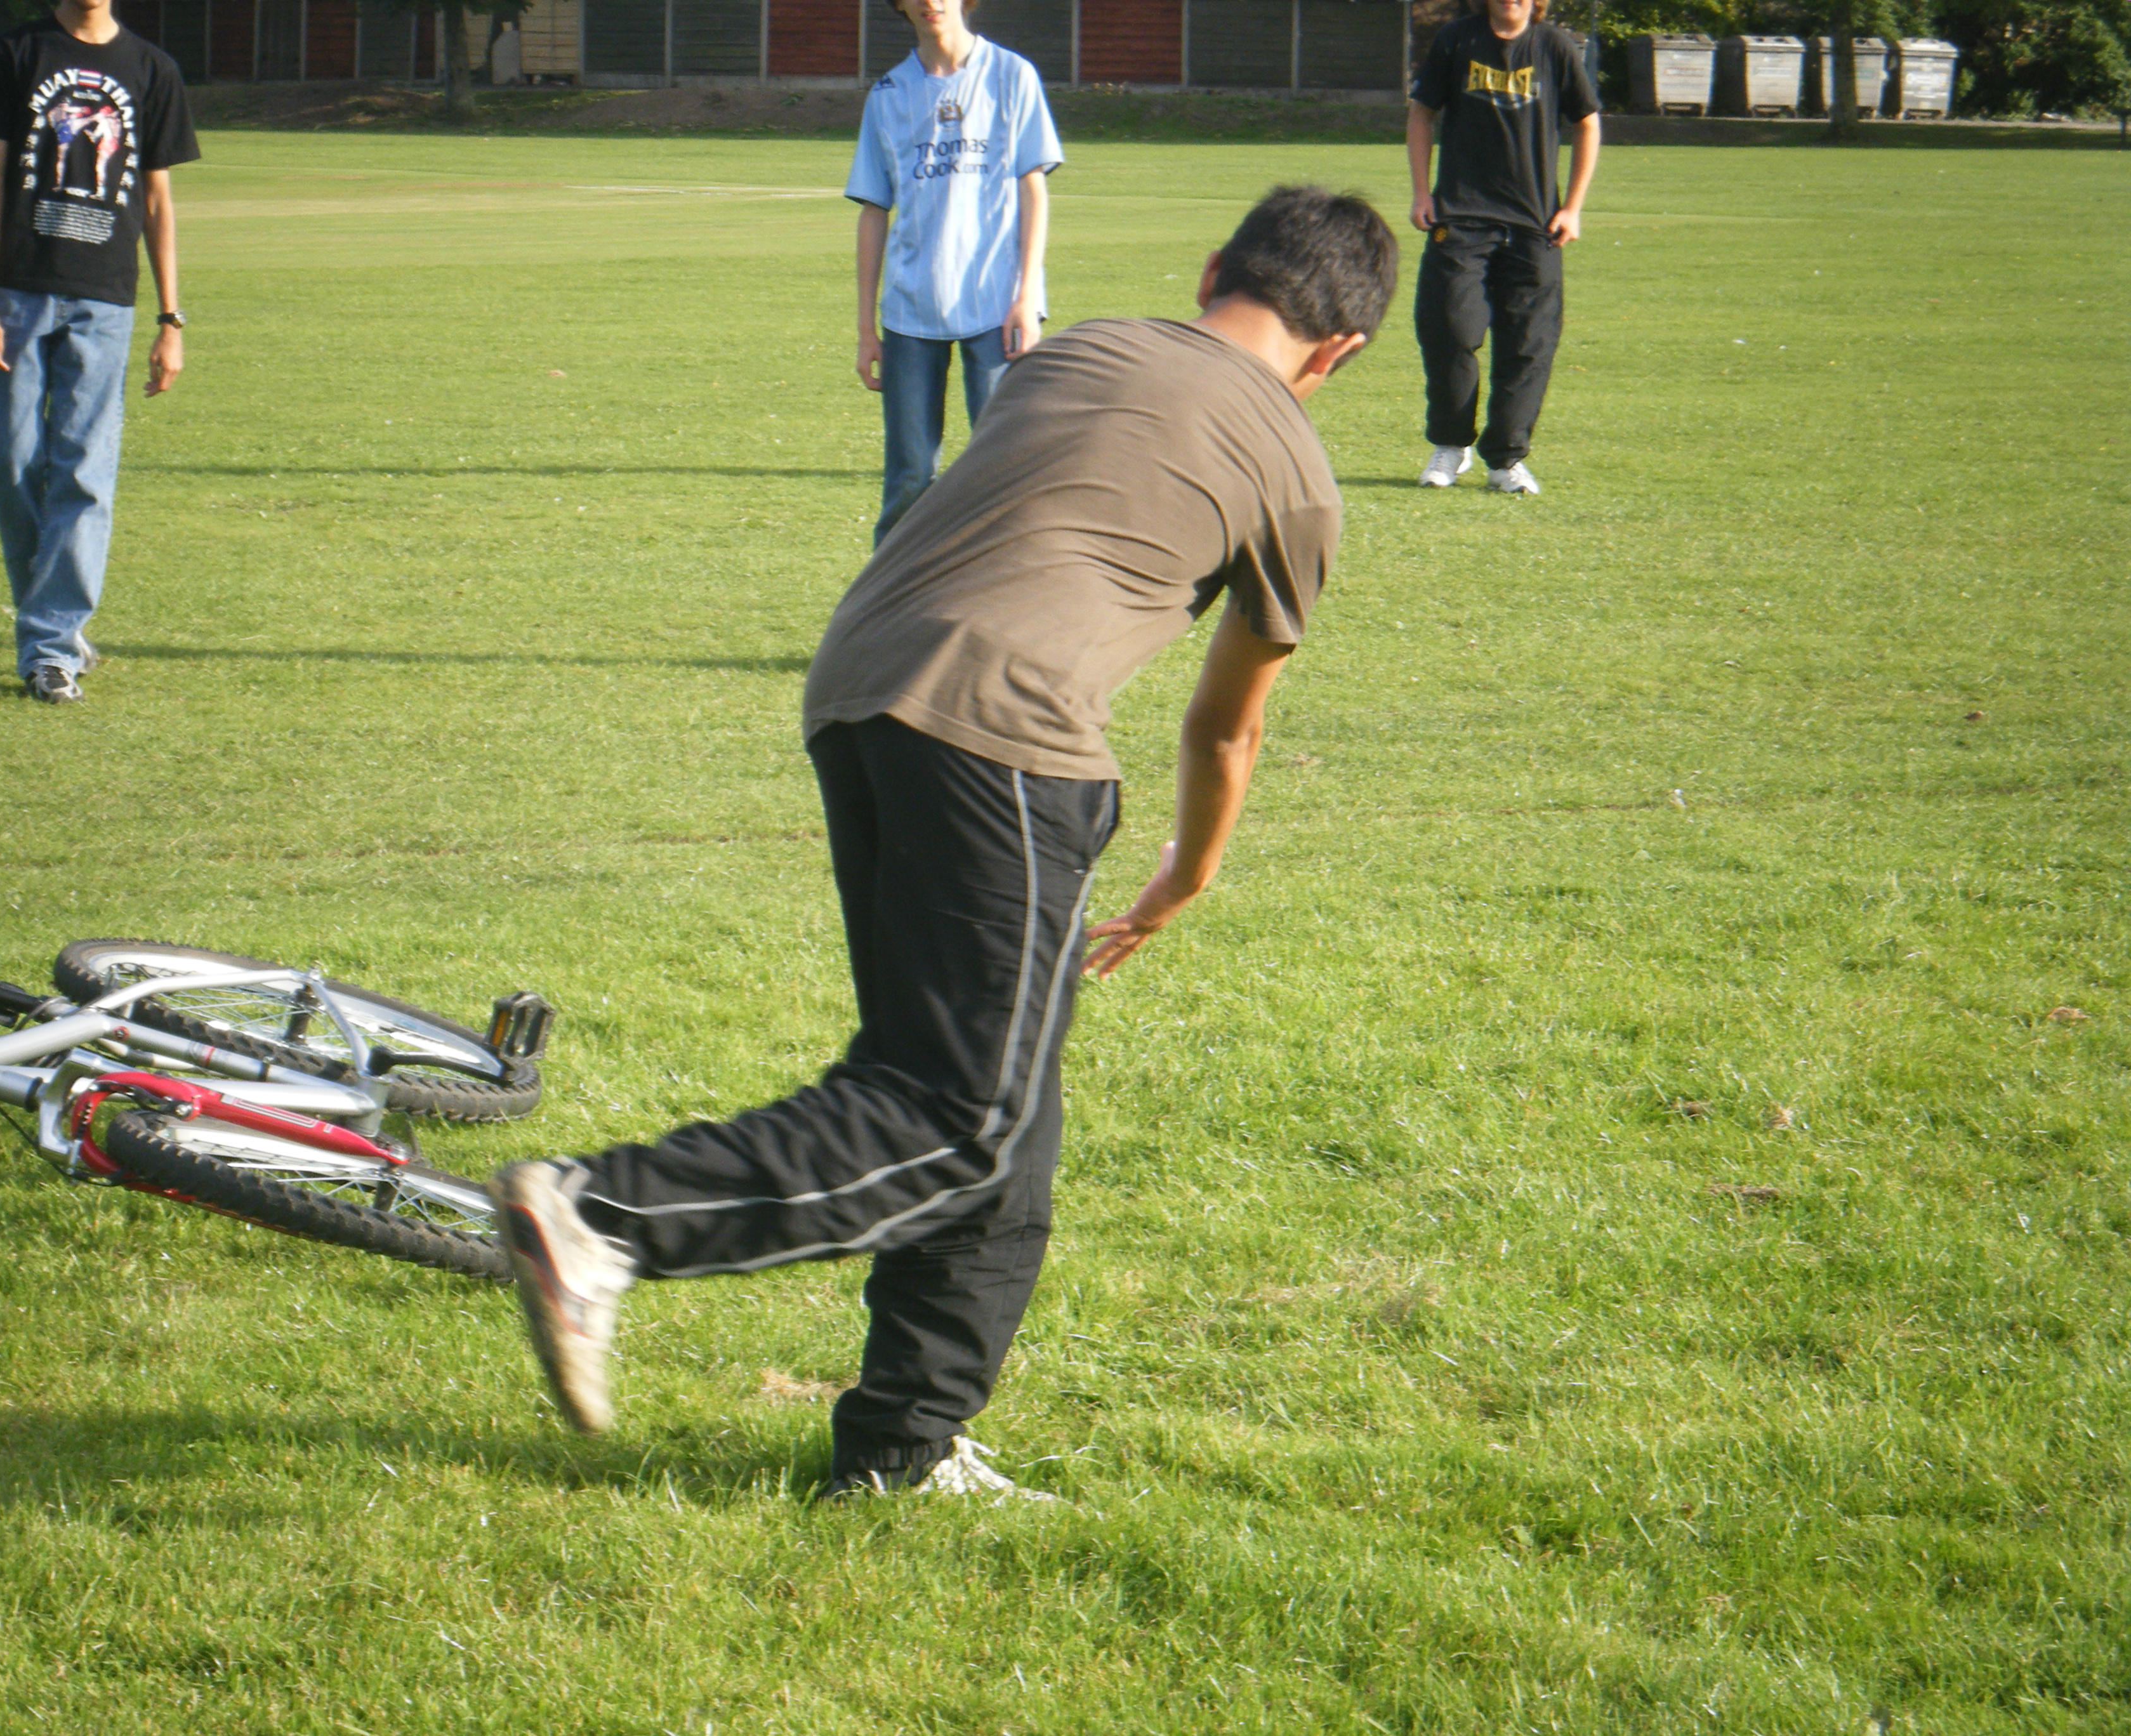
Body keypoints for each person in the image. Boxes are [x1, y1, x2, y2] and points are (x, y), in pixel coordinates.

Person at [491, 185, 1398, 1503]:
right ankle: (603, 1217)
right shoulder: (1298, 479)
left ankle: (901, 1454)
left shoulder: (1078, 348)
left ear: (1214, 269)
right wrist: (1184, 876)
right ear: (1342, 352)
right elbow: (1224, 729)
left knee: (999, 1115)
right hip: (1008, 733)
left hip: (858, 687)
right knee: (958, 1117)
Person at [0, 0, 197, 704]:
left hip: (105, 300)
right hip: (15, 293)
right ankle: (52, 618)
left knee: (84, 474)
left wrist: (171, 319)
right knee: (4, 458)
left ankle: (51, 648)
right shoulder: (15, 55)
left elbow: (157, 201)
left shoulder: (152, 68)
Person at [847, 0, 1060, 546]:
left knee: (1002, 471)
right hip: (911, 313)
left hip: (997, 307)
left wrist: (1026, 296)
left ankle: (1008, 585)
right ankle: (891, 593)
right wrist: (866, 329)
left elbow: (1033, 189)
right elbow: (874, 210)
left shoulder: (1011, 75)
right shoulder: (888, 94)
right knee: (910, 477)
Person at [1406, 0, 1600, 496]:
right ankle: (1451, 445)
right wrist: (1422, 192)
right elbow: (1422, 111)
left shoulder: (1554, 46)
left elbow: (1587, 122)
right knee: (1449, 327)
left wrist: (1573, 207)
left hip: (1535, 225)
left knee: (1528, 344)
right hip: (1460, 217)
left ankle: (1507, 461)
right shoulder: (1457, 40)